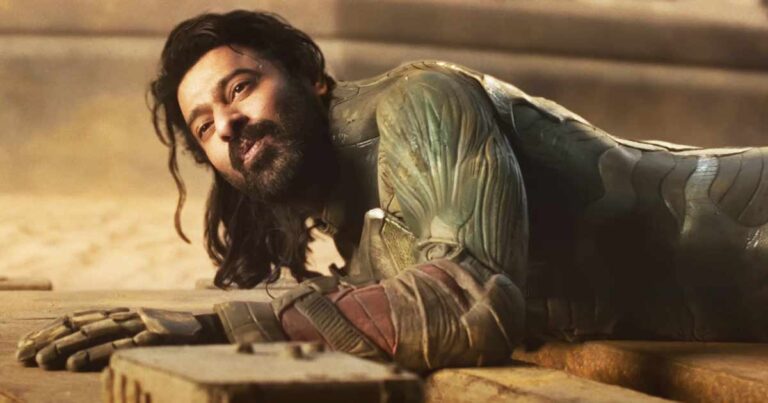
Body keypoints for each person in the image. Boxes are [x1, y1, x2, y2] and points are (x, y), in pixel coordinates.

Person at [16, 10, 768, 373]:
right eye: (205, 126)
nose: (229, 125)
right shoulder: (360, 233)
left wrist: (220, 325)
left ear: (312, 79)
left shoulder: (421, 101)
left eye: (239, 88)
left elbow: (469, 303)